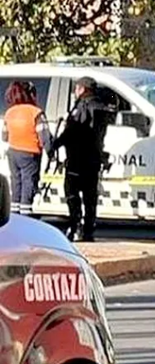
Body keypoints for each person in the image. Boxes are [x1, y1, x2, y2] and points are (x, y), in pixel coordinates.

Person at [48, 77, 109, 242]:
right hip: (93, 159)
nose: (75, 91)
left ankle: (75, 227)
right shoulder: (101, 107)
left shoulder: (82, 106)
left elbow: (73, 132)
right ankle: (88, 231)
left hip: (77, 158)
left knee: (72, 193)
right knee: (90, 198)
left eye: (77, 88)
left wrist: (56, 144)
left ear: (83, 89)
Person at [2, 82, 50, 217]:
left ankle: (14, 215)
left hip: (13, 153)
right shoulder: (36, 113)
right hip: (30, 153)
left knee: (16, 183)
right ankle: (25, 215)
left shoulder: (10, 112)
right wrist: (51, 151)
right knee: (28, 184)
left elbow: (4, 136)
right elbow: (44, 138)